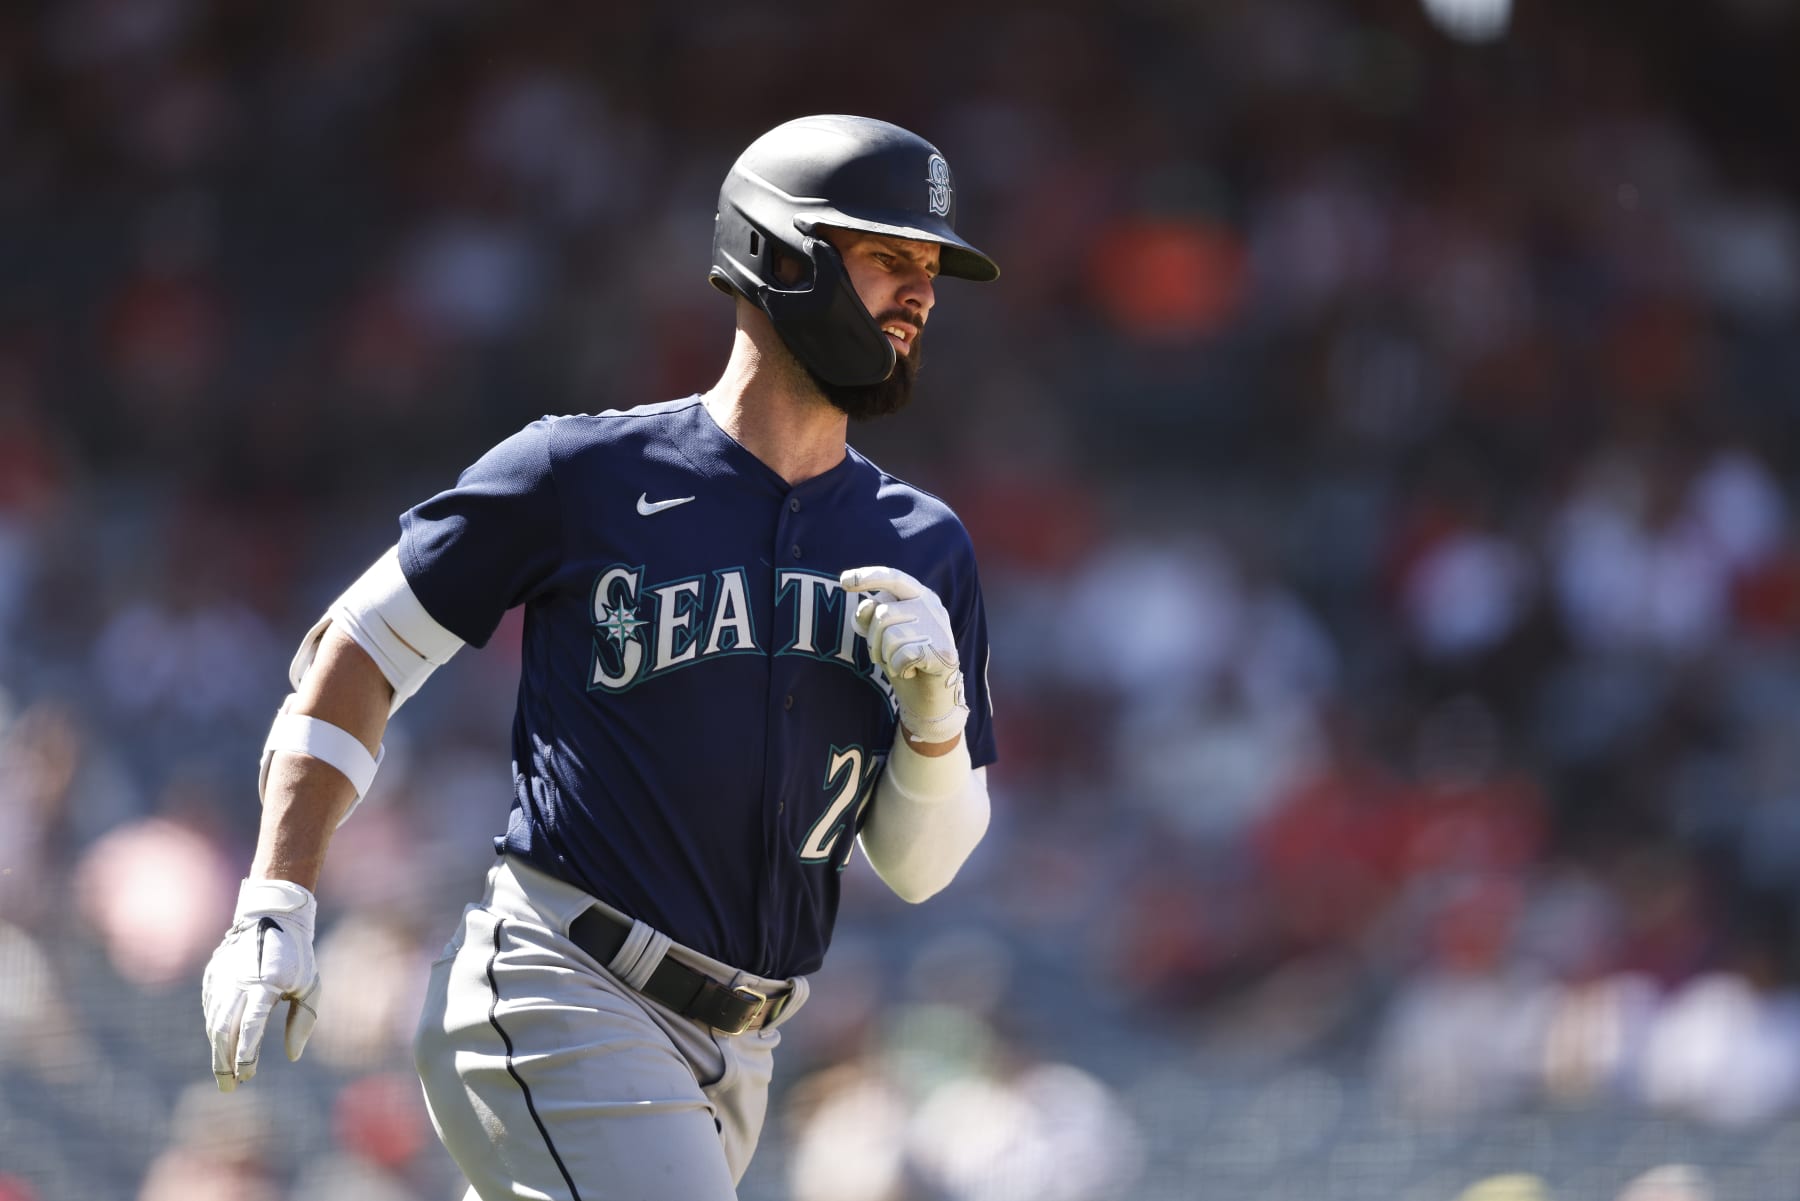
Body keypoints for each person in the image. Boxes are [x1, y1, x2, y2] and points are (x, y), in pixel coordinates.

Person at [201, 113, 1001, 1200]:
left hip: (743, 1052)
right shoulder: (580, 472)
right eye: (887, 258)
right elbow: (357, 650)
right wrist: (276, 901)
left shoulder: (924, 545)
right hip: (563, 985)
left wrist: (935, 722)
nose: (922, 292)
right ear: (777, 255)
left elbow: (918, 865)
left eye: (931, 268)